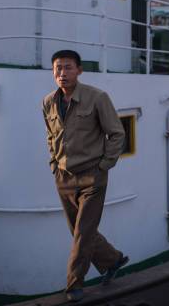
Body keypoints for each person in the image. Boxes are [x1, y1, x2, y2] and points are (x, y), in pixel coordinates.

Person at [42, 50, 128, 302]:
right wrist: (54, 164)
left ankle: (73, 285)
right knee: (79, 231)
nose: (62, 73)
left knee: (83, 233)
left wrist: (104, 165)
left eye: (68, 68)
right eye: (58, 68)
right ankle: (113, 260)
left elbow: (117, 133)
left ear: (79, 70)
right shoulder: (48, 101)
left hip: (93, 176)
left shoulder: (97, 98)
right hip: (64, 177)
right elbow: (50, 135)